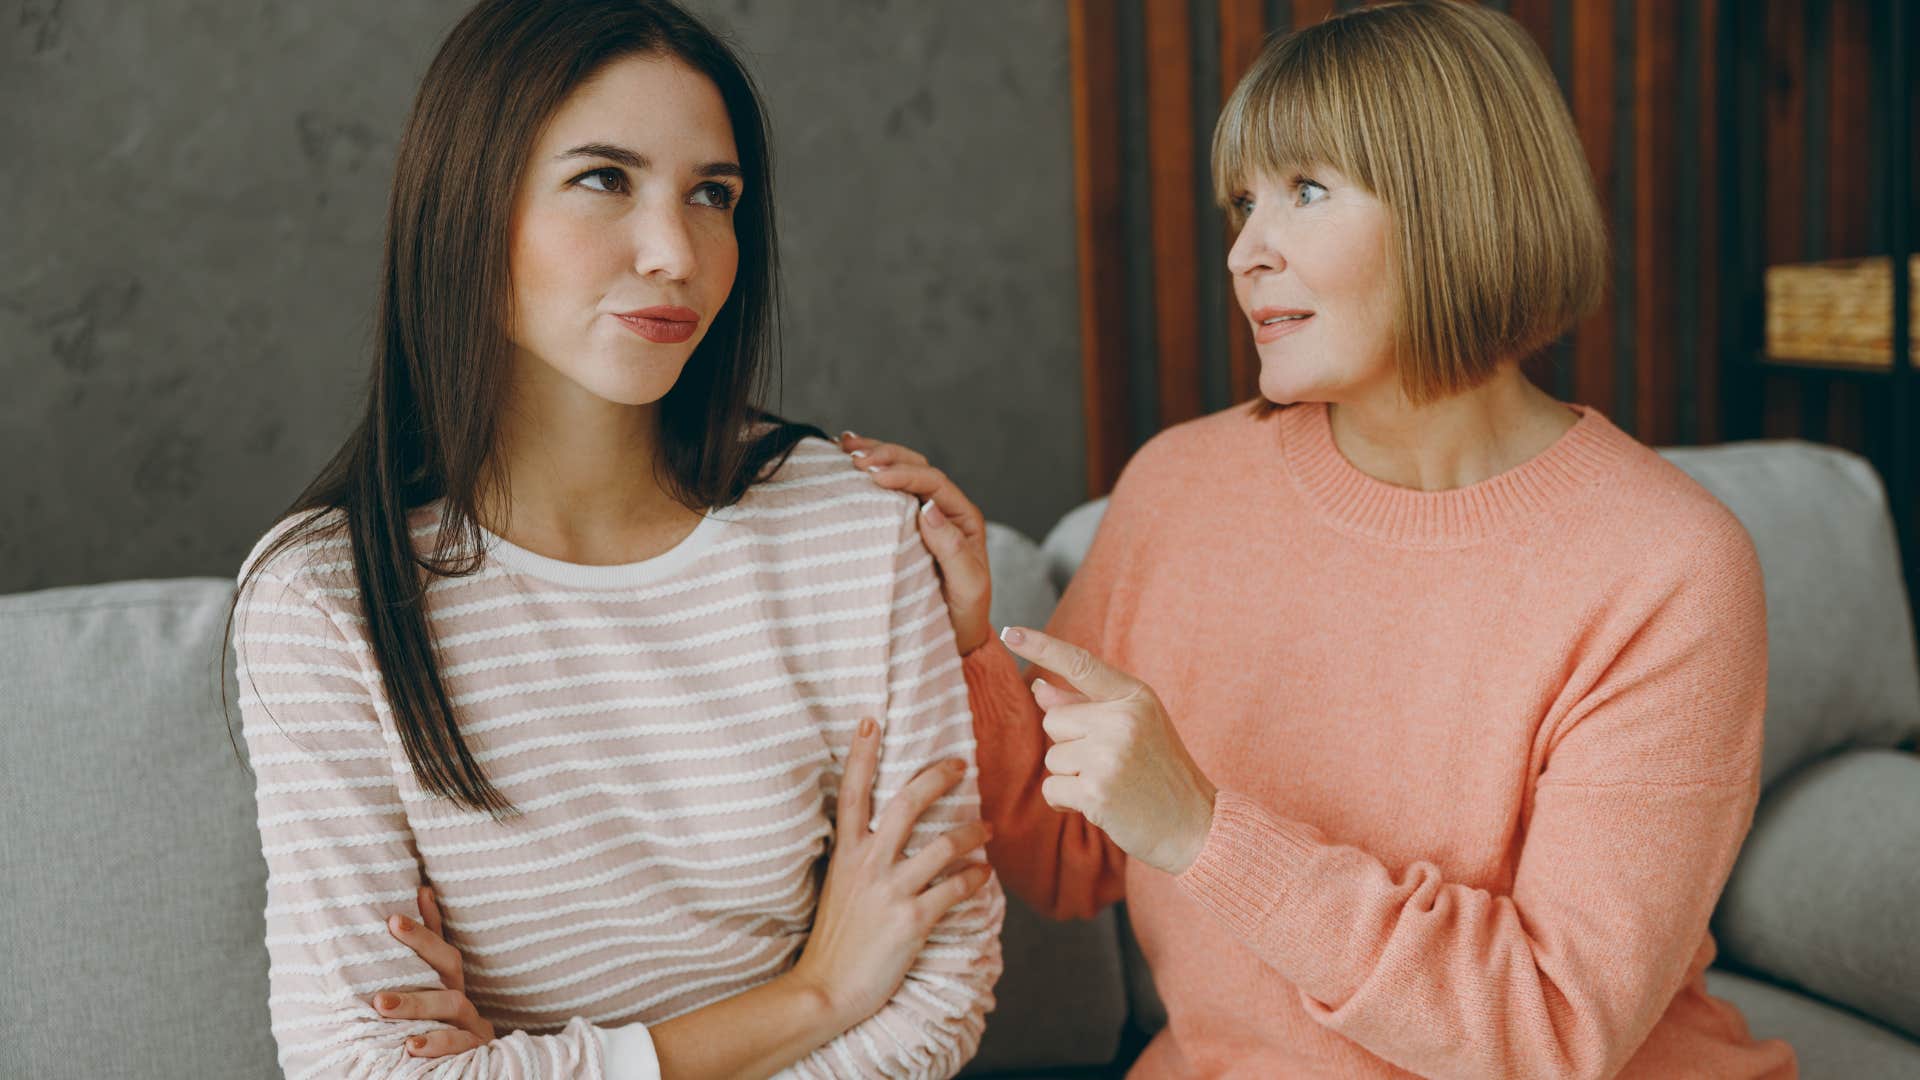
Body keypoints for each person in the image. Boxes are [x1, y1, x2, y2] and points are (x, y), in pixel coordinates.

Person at [843, 2, 1799, 1076]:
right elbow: (1063, 853)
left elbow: (1550, 1030)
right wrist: (972, 642)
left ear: (1457, 205)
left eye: (1305, 191)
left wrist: (1210, 836)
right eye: (1242, 204)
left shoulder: (1667, 565)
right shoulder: (1181, 490)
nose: (1248, 252)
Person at [227, 1, 1002, 1076]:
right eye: (605, 179)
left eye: (713, 196)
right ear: (468, 206)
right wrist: (814, 995)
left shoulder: (851, 526)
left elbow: (940, 996)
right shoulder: (326, 601)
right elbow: (367, 1069)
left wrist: (522, 1062)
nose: (674, 252)